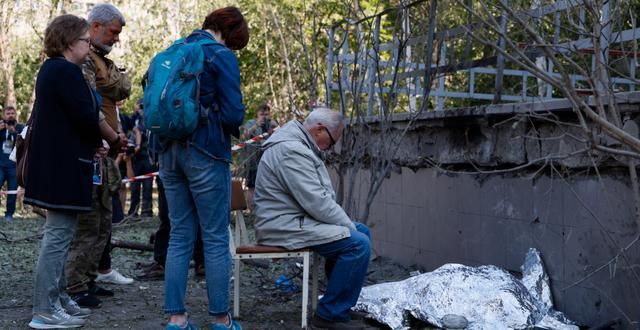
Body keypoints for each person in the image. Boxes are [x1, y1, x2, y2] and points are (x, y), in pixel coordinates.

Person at [158, 6, 248, 330]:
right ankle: (222, 321)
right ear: (231, 32)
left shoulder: (176, 49)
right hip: (206, 152)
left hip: (168, 152)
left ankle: (176, 319)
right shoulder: (220, 55)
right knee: (214, 237)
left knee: (180, 235)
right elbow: (235, 114)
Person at [253, 107, 371, 330]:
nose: (330, 147)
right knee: (358, 243)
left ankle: (340, 306)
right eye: (332, 141)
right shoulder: (290, 150)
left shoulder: (297, 145)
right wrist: (347, 226)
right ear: (319, 129)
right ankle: (329, 315)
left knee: (362, 231)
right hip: (280, 225)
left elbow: (315, 201)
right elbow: (316, 202)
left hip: (294, 220)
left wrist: (347, 226)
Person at [24, 14, 105, 329]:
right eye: (86, 40)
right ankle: (44, 309)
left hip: (61, 166)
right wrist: (97, 140)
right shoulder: (65, 72)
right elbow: (86, 115)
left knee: (62, 235)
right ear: (70, 42)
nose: (89, 45)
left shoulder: (53, 71)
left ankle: (56, 299)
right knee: (57, 239)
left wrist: (90, 144)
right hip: (61, 170)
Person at [65, 3, 133, 309]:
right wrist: (109, 136)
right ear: (95, 27)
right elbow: (89, 107)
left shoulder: (102, 61)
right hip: (90, 150)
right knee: (88, 222)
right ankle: (75, 285)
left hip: (105, 152)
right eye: (113, 32)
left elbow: (122, 89)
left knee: (104, 220)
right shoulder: (83, 62)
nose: (116, 39)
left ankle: (90, 278)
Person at [240, 103, 277, 208]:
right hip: (252, 161)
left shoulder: (272, 124)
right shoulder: (251, 123)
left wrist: (276, 127)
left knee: (270, 186)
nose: (264, 117)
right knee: (252, 186)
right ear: (257, 114)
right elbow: (244, 137)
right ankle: (252, 210)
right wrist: (256, 125)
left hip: (269, 162)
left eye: (266, 114)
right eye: (262, 114)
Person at [127, 99, 154, 217]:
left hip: (148, 158)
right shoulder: (134, 120)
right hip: (136, 158)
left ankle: (146, 211)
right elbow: (131, 132)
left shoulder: (151, 119)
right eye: (140, 108)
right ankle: (133, 211)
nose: (141, 110)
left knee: (148, 186)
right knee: (134, 186)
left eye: (143, 107)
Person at [0, 105, 23, 221]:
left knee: (12, 191)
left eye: (12, 113)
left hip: (14, 166)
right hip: (0, 165)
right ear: (4, 115)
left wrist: (14, 133)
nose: (10, 115)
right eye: (8, 114)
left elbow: (24, 145)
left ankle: (9, 214)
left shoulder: (21, 128)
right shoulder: (1, 127)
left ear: (16, 115)